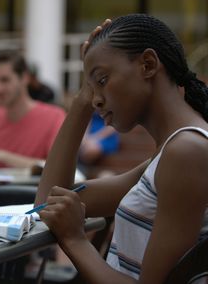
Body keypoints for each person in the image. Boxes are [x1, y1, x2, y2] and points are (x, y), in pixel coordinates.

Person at [35, 14, 208, 283]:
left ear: (148, 65)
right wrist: (83, 98)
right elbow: (48, 203)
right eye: (91, 89)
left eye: (102, 81)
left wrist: (75, 240)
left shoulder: (187, 152)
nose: (96, 100)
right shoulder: (171, 154)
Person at [0, 50, 66, 168]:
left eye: (5, 80)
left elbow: (57, 167)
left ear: (24, 78)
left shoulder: (55, 117)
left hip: (35, 186)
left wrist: (1, 156)